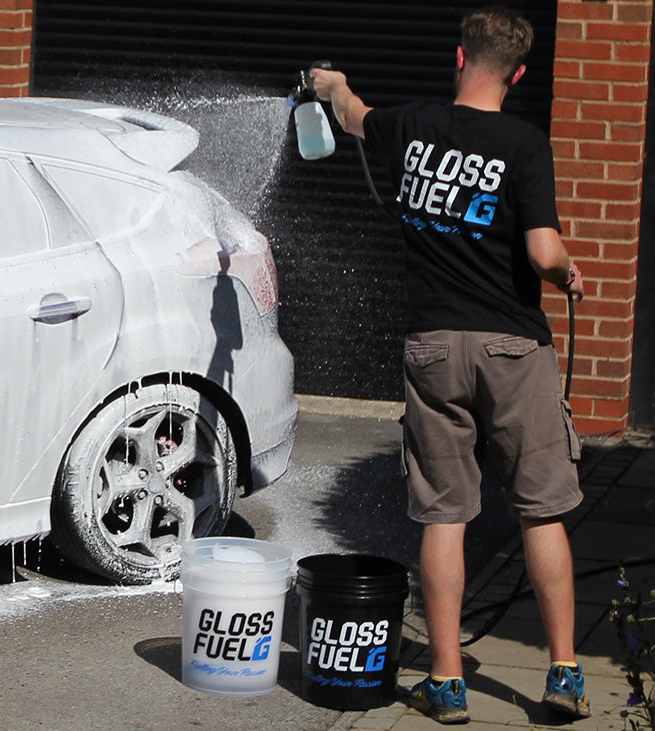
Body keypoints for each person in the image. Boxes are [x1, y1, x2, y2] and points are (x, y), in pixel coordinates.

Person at [311, 6, 589, 725]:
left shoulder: (409, 124)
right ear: (519, 74)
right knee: (542, 508)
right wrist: (569, 275)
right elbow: (540, 251)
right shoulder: (525, 142)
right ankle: (563, 671)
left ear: (458, 59)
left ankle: (446, 680)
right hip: (513, 347)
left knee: (445, 513)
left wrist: (331, 83)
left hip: (434, 345)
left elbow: (351, 113)